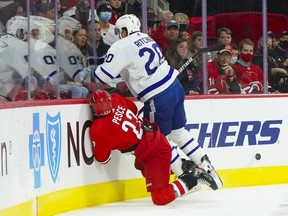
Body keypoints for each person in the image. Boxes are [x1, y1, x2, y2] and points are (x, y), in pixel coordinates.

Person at [93, 14, 223, 189]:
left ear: (124, 30)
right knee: (179, 133)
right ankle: (206, 166)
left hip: (158, 96)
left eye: (119, 31)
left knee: (159, 140)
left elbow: (101, 76)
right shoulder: (145, 37)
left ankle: (187, 179)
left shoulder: (121, 45)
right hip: (174, 87)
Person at [89, 90, 217, 205]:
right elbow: (133, 108)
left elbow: (103, 159)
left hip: (154, 152)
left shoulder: (99, 128)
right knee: (141, 166)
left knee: (160, 198)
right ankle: (185, 165)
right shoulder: (116, 99)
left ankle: (193, 178)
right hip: (152, 139)